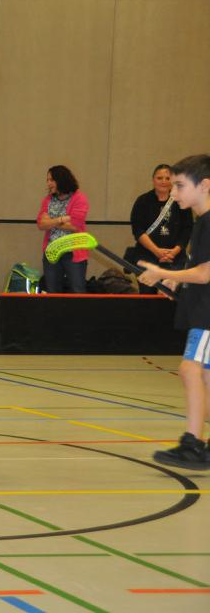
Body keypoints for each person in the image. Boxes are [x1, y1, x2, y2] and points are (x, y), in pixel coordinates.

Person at [137, 153, 210, 471]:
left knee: (190, 369)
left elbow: (206, 273)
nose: (173, 192)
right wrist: (177, 279)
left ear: (204, 185)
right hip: (202, 308)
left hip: (207, 314)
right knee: (204, 374)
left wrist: (165, 273)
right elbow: (199, 267)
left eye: (179, 185)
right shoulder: (201, 222)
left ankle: (192, 444)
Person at [128, 163, 192, 294]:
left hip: (174, 258)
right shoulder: (143, 201)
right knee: (147, 295)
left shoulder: (181, 200)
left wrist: (174, 251)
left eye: (167, 178)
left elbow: (187, 228)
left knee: (173, 295)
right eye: (159, 178)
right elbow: (138, 230)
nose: (164, 181)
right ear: (153, 180)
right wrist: (156, 251)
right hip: (147, 256)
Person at [37, 165, 89, 293]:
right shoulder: (48, 200)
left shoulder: (79, 198)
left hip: (73, 252)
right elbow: (41, 224)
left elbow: (74, 225)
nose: (48, 183)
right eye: (47, 180)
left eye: (51, 180)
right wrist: (61, 219)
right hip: (52, 252)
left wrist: (50, 221)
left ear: (61, 180)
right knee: (52, 291)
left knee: (77, 290)